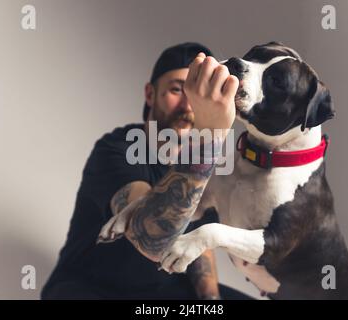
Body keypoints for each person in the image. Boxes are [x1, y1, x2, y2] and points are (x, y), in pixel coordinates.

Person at [41, 42, 253, 299]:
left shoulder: (205, 165)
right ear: (150, 94)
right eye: (177, 90)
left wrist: (210, 299)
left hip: (160, 292)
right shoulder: (117, 149)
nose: (189, 106)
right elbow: (154, 237)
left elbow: (195, 238)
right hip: (91, 289)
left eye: (195, 93)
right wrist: (209, 136)